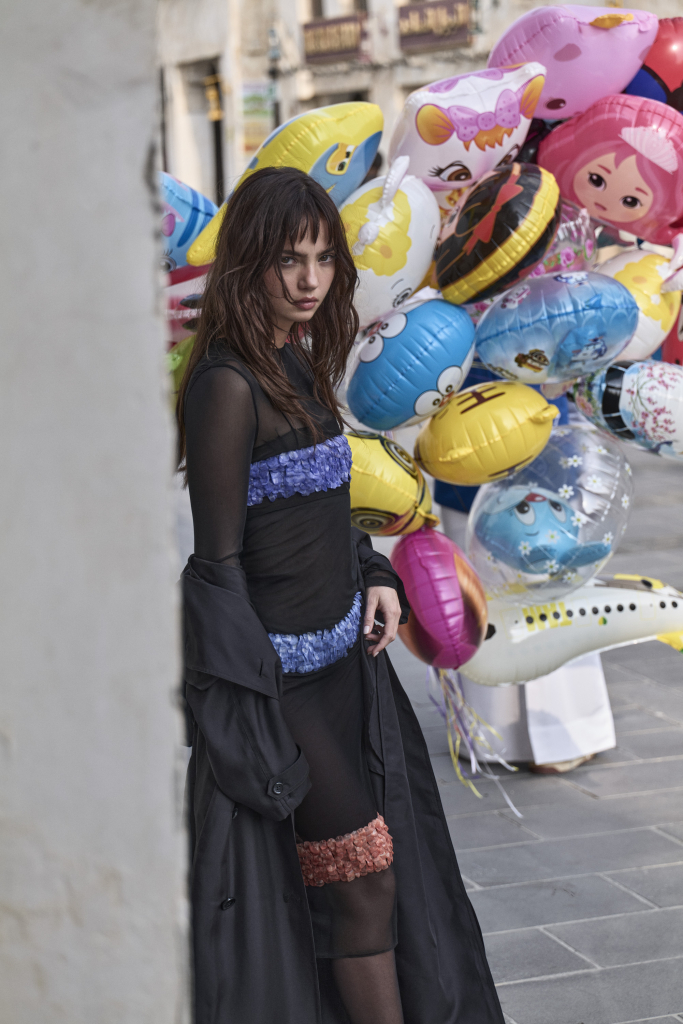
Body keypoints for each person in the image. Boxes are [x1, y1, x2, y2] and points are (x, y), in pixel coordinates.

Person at [177, 165, 504, 1024]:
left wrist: (376, 574)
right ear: (249, 262)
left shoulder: (297, 359)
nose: (309, 279)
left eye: (323, 258)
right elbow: (217, 564)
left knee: (375, 875)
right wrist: (250, 714)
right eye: (288, 259)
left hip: (347, 666)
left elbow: (326, 508)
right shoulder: (226, 385)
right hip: (280, 686)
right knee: (363, 880)